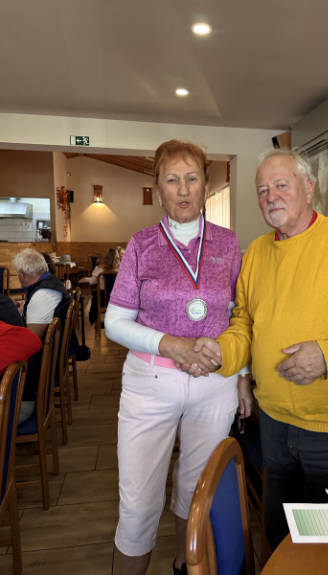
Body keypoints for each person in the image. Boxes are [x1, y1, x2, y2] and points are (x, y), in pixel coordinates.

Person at [189, 149, 328, 550]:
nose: (271, 197)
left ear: (308, 189)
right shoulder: (256, 253)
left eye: (281, 185)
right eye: (262, 190)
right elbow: (244, 322)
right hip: (274, 422)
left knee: (327, 548)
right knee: (279, 534)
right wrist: (223, 351)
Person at [104, 139, 252, 575]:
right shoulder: (142, 244)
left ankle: (186, 565)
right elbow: (115, 322)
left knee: (198, 488)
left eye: (192, 179)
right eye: (172, 180)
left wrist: (242, 374)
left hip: (214, 383)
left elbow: (239, 315)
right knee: (138, 500)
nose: (183, 189)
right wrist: (171, 344)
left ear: (206, 185)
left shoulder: (228, 243)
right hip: (150, 383)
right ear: (158, 189)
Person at [13, 248, 71, 423]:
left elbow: (31, 340)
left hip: (35, 375)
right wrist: (25, 306)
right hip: (45, 363)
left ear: (22, 275)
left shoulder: (42, 295)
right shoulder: (49, 284)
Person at [81, 248, 120, 325]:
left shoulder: (99, 268)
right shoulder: (121, 270)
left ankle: (96, 323)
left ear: (106, 257)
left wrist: (85, 279)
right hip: (117, 301)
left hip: (102, 300)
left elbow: (92, 281)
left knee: (95, 298)